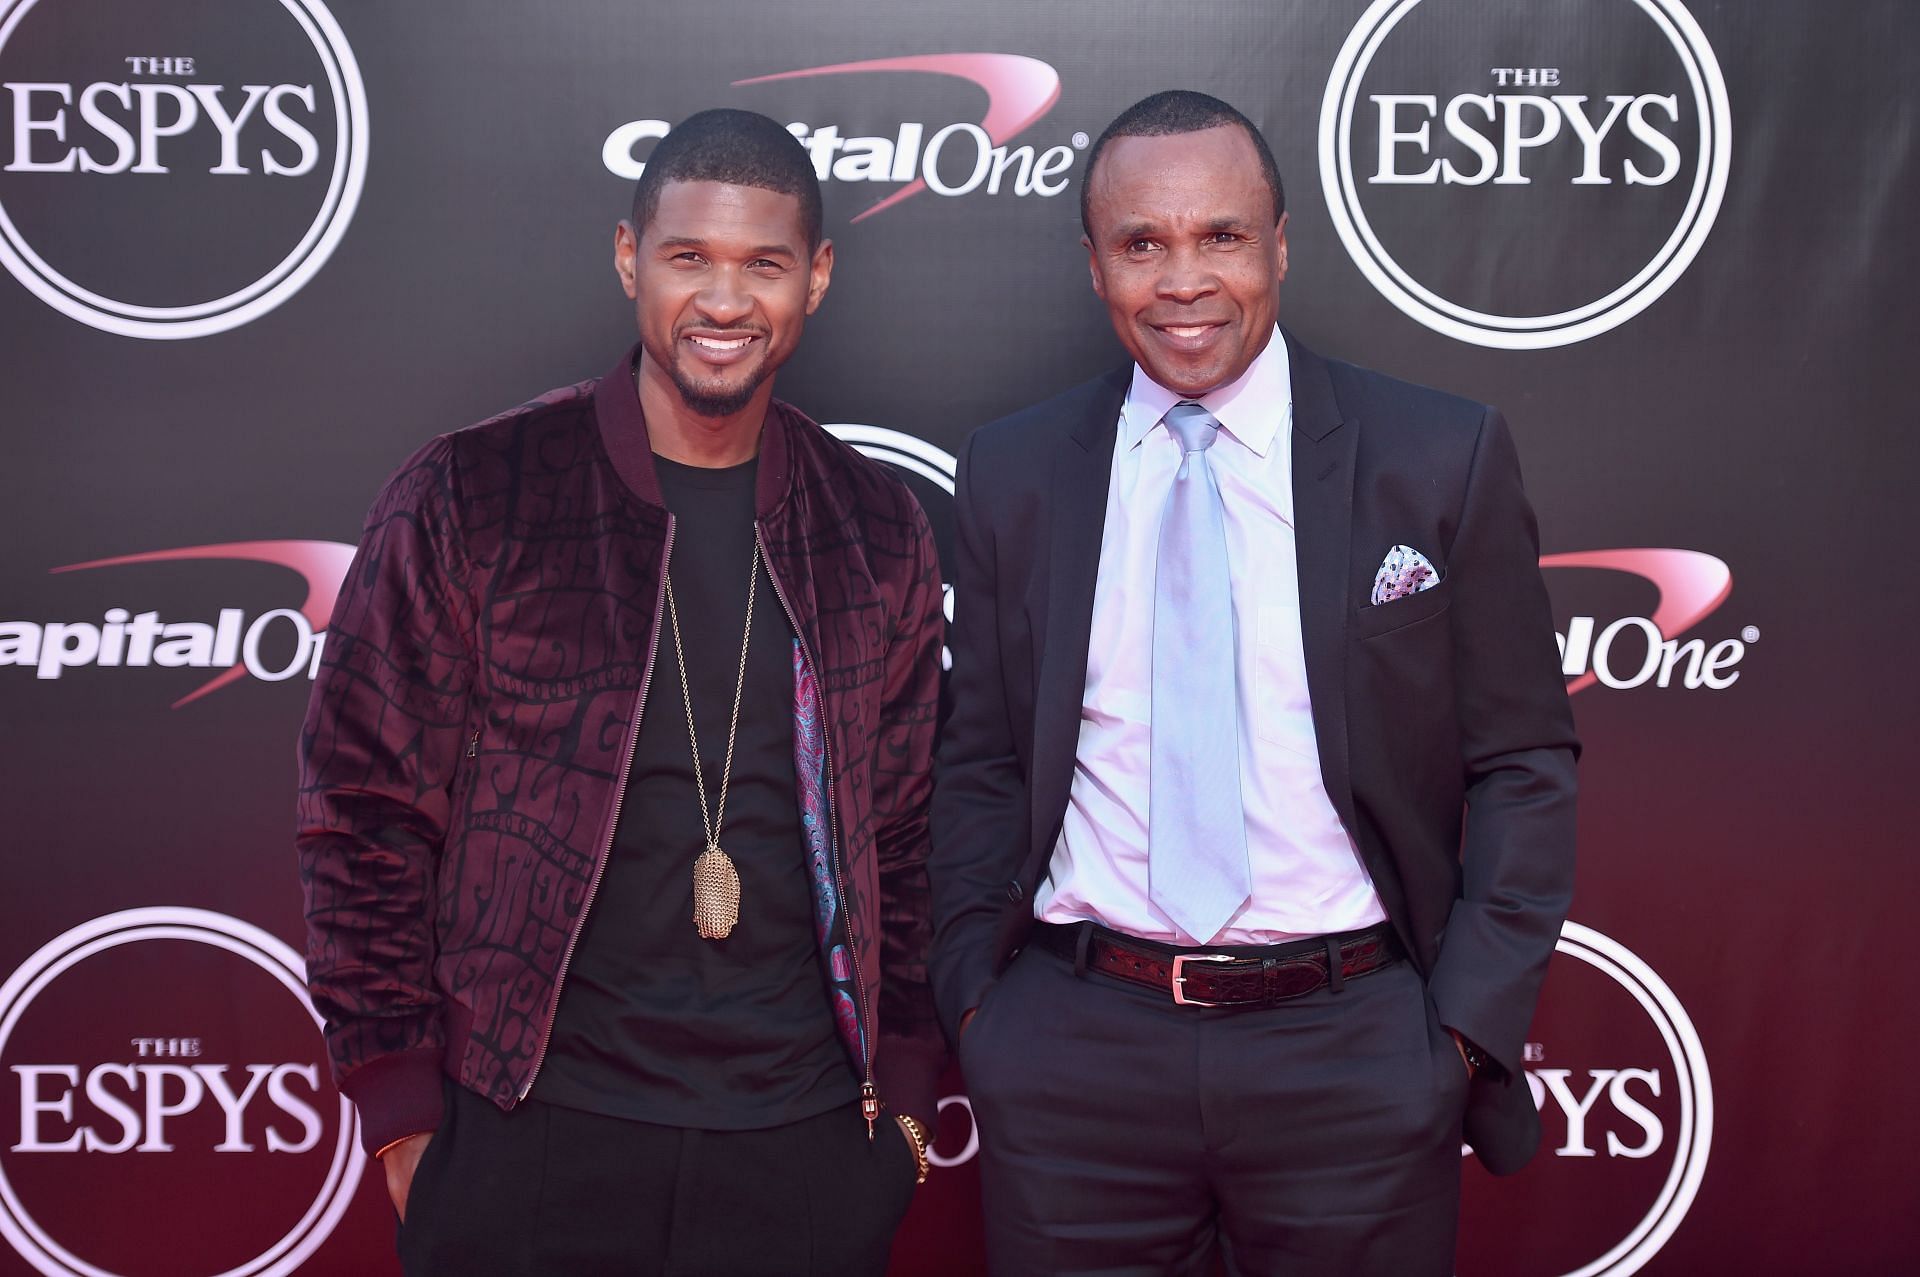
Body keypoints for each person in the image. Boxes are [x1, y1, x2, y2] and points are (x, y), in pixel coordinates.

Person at [930, 90, 1579, 1276]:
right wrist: (984, 1007)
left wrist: (1460, 1036)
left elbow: (1526, 759)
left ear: (1280, 243)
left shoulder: (1437, 453)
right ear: (1094, 264)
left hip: (1352, 1051)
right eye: (1143, 243)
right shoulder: (1015, 471)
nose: (1184, 280)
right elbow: (977, 757)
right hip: (1078, 1056)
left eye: (1220, 236)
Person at [297, 107, 944, 1277]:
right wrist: (401, 1115)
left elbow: (909, 828)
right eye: (689, 257)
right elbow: (362, 806)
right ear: (627, 256)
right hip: (527, 1130)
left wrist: (899, 1100)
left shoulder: (873, 524)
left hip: (800, 1139)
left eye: (764, 263)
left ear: (819, 278)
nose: (724, 301)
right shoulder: (474, 493)